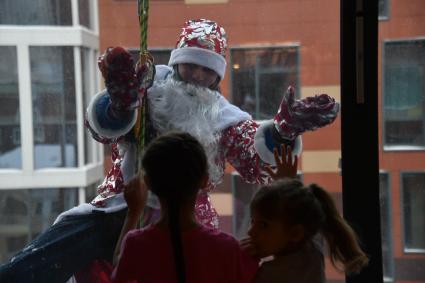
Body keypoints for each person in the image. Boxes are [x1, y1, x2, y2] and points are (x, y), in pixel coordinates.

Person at [0, 19, 339, 283]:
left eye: (207, 70)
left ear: (217, 77)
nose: (196, 76)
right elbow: (102, 131)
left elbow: (253, 158)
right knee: (38, 261)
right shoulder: (148, 94)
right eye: (190, 65)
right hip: (119, 202)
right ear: (176, 63)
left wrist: (282, 131)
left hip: (185, 217)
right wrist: (120, 107)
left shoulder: (223, 118)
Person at [111, 132, 258, 283]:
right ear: (205, 181)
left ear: (148, 183)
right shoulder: (226, 248)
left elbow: (119, 268)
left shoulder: (137, 244)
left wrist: (133, 212)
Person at [241, 149, 369, 283]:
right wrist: (285, 182)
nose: (250, 232)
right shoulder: (312, 250)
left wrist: (242, 262)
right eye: (252, 221)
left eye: (263, 225)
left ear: (295, 233)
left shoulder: (270, 276)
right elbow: (299, 212)